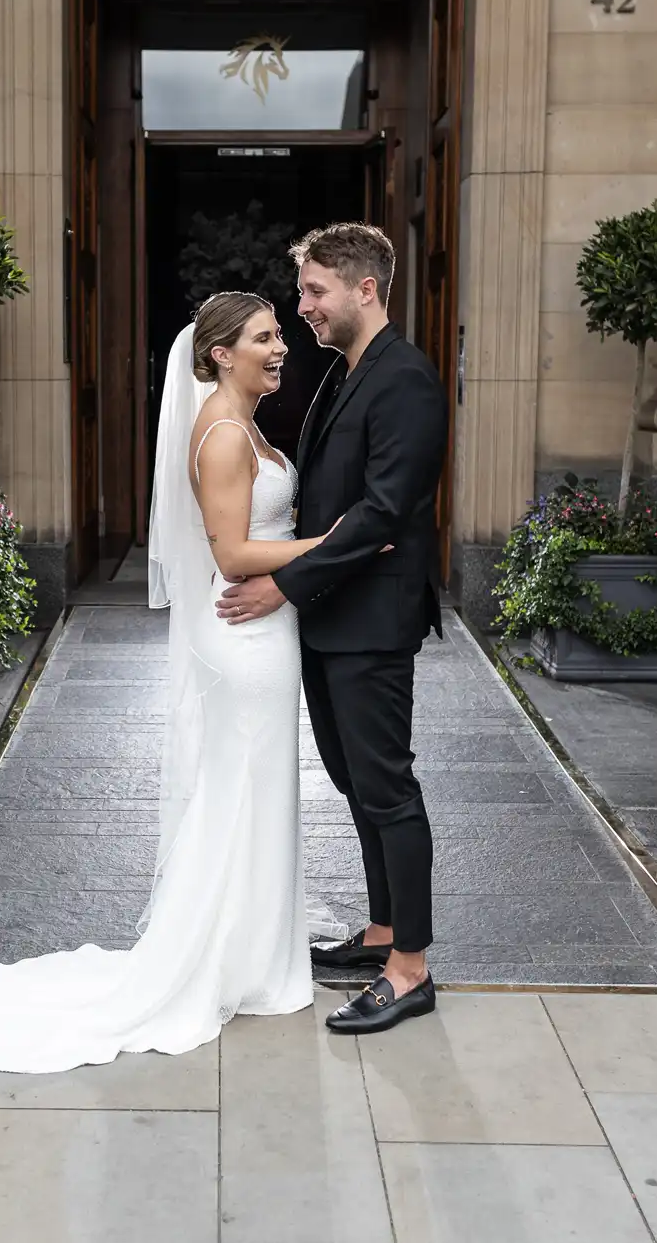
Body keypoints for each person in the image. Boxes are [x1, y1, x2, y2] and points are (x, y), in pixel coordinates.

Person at [0, 292, 336, 1073]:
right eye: (263, 337)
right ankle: (220, 959)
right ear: (218, 353)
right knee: (234, 790)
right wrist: (333, 541)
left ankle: (251, 955)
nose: (280, 347)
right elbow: (235, 555)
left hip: (266, 632)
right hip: (242, 635)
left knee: (257, 788)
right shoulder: (219, 435)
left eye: (280, 334)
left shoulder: (243, 424)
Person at [217, 222, 449, 1035]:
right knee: (356, 783)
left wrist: (283, 581)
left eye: (315, 291)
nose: (303, 306)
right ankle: (382, 928)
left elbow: (384, 511)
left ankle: (409, 968)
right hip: (333, 621)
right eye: (303, 291)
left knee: (388, 789)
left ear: (365, 289)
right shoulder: (350, 372)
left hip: (372, 621)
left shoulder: (407, 380)